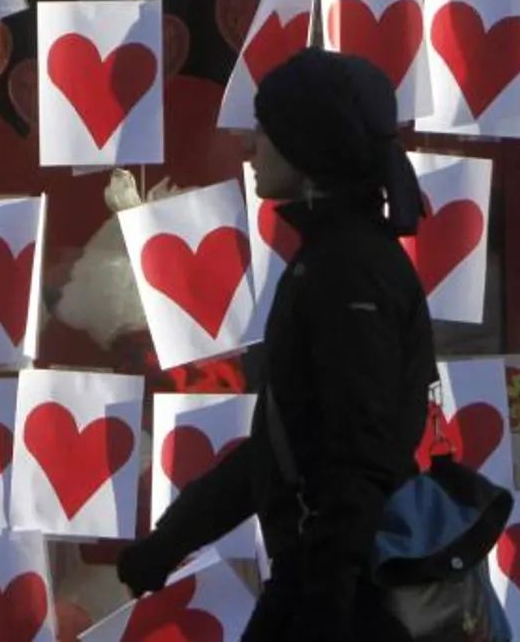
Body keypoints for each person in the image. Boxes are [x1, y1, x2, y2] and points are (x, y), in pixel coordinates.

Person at [117, 48, 439, 641]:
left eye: (265, 130)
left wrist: (323, 609)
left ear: (309, 148)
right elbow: (282, 448)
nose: (249, 147)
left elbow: (357, 457)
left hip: (344, 599)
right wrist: (168, 544)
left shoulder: (348, 270)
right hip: (325, 585)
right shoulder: (332, 259)